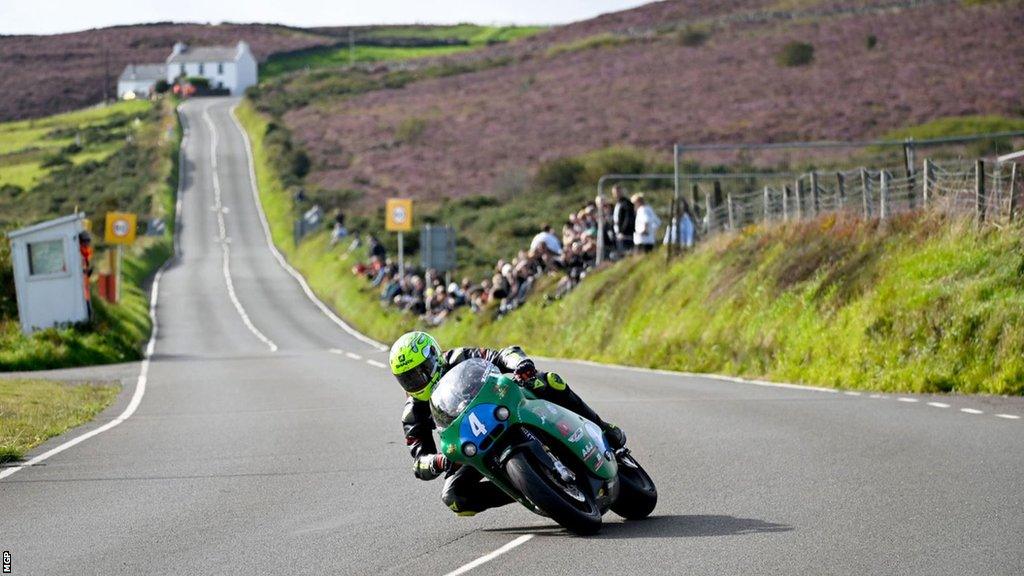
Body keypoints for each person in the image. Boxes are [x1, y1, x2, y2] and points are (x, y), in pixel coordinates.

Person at [390, 331, 626, 516]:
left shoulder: (458, 357)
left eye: (421, 371)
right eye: (408, 378)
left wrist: (520, 364)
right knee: (453, 497)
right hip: (475, 444)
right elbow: (418, 460)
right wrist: (437, 461)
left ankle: (604, 427)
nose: (417, 380)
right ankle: (530, 490)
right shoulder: (413, 412)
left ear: (433, 356)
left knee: (548, 381)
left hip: (507, 406)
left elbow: (502, 354)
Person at [611, 185, 635, 253]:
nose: (616, 194)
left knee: (626, 253)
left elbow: (628, 219)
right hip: (618, 235)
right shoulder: (618, 204)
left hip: (625, 236)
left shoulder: (626, 203)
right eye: (615, 192)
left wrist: (623, 232)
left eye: (618, 192)